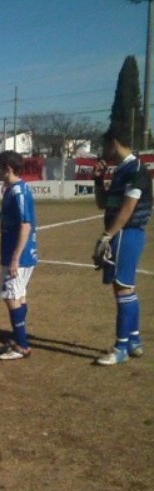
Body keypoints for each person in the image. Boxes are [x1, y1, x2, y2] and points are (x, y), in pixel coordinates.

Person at [92, 128, 152, 365]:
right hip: (123, 235)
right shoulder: (121, 170)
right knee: (127, 286)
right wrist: (98, 179)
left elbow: (128, 208)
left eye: (105, 145)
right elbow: (103, 204)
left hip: (126, 234)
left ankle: (120, 348)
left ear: (114, 143)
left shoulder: (135, 169)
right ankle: (134, 341)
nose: (103, 151)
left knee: (122, 289)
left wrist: (107, 235)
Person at [0, 151, 38, 361]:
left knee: (11, 296)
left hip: (18, 256)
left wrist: (15, 258)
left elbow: (25, 225)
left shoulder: (19, 192)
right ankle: (18, 339)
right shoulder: (12, 190)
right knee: (19, 296)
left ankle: (22, 345)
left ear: (8, 168)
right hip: (19, 255)